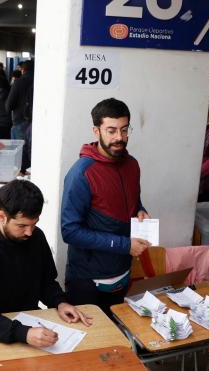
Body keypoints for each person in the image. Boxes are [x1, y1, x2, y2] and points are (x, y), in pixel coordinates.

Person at [0, 180, 93, 365]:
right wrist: (24, 333)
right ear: (2, 216)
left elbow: (47, 282)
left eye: (34, 224)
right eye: (21, 226)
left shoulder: (37, 238)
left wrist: (60, 302)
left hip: (29, 320)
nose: (29, 232)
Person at [61, 98, 150, 315]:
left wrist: (140, 210)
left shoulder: (132, 165)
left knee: (117, 337)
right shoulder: (81, 173)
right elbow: (70, 231)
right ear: (96, 130)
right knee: (91, 343)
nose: (119, 137)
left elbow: (133, 201)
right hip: (87, 281)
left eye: (124, 129)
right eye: (111, 130)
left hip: (122, 272)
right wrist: (123, 245)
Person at [6, 60, 34, 174]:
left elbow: (9, 105)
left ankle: (21, 180)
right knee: (31, 153)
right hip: (35, 121)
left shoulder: (19, 82)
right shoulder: (41, 80)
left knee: (19, 157)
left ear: (22, 70)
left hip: (20, 121)